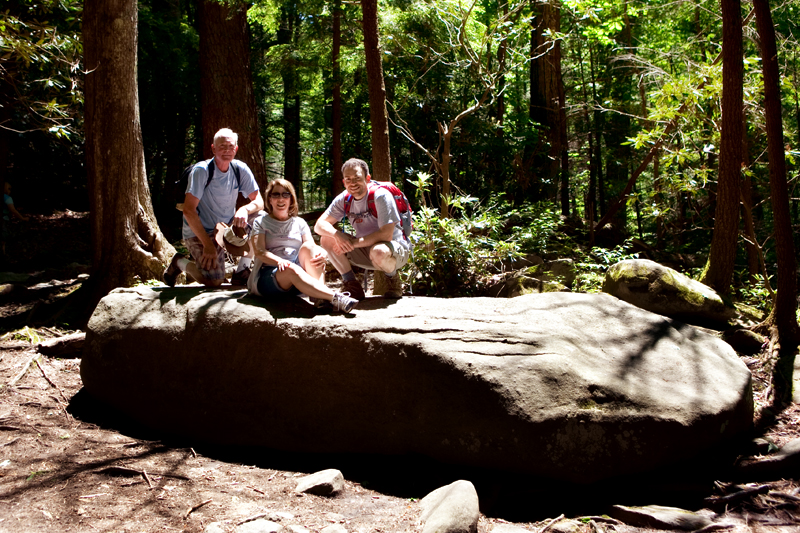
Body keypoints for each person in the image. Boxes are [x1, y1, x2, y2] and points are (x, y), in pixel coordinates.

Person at [163, 128, 264, 287]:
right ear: (213, 148)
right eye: (222, 146)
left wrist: (244, 209)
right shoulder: (202, 171)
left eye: (230, 146)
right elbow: (189, 211)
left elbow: (259, 200)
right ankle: (179, 263)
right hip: (201, 231)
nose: (227, 150)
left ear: (236, 149)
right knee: (213, 280)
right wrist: (207, 245)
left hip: (226, 228)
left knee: (261, 218)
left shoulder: (239, 169)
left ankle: (242, 271)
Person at [247, 179, 358, 313]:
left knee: (311, 249)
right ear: (269, 199)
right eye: (276, 195)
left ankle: (320, 298)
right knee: (290, 268)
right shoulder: (261, 222)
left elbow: (310, 247)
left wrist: (322, 254)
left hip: (299, 277)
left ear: (291, 199)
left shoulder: (299, 223)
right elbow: (259, 252)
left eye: (285, 195)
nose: (280, 199)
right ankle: (335, 297)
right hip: (270, 276)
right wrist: (280, 261)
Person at [314, 158, 411, 300]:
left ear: (367, 178)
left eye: (357, 178)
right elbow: (319, 225)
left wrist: (352, 243)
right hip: (364, 249)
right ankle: (352, 284)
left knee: (378, 251)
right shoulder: (344, 199)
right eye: (348, 179)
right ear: (343, 182)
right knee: (327, 238)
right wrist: (337, 235)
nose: (353, 183)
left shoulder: (381, 196)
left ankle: (393, 279)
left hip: (393, 251)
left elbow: (386, 234)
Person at [3, 181, 29, 255]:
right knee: (3, 240)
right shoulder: (7, 198)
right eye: (9, 189)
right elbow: (13, 210)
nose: (9, 191)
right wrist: (23, 218)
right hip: (3, 220)